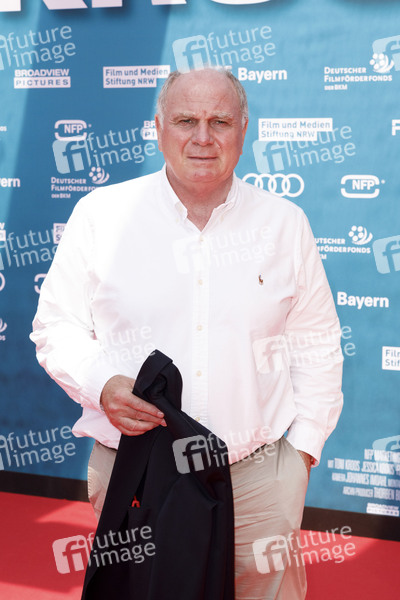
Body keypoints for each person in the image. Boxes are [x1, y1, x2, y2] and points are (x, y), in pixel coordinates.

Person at [31, 68, 343, 599]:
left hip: (256, 480)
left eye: (220, 121)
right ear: (158, 129)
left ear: (243, 130)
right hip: (137, 473)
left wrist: (301, 453)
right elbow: (56, 327)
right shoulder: (101, 216)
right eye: (185, 121)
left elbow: (316, 341)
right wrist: (102, 384)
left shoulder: (284, 224)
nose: (203, 137)